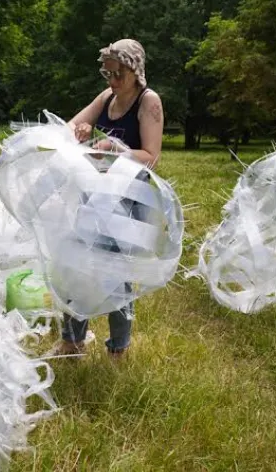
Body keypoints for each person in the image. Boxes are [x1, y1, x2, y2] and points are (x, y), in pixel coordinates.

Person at [59, 38, 165, 359]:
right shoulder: (107, 96)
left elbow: (151, 156)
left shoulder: (148, 102)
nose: (113, 81)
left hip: (128, 201)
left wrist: (114, 148)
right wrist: (81, 130)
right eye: (108, 74)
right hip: (96, 194)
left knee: (114, 272)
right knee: (76, 264)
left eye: (119, 74)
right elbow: (71, 125)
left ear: (135, 70)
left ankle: (118, 349)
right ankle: (71, 342)